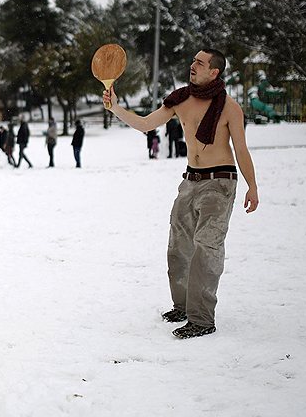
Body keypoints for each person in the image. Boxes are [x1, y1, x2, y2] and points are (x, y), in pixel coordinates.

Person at [102, 48, 259, 339]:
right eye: (193, 61)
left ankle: (202, 319)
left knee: (206, 249)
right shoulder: (181, 99)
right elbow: (147, 124)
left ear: (214, 72)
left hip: (220, 182)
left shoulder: (229, 108)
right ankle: (183, 306)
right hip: (189, 181)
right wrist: (115, 108)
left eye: (200, 63)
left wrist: (253, 186)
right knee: (178, 246)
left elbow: (241, 150)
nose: (193, 66)